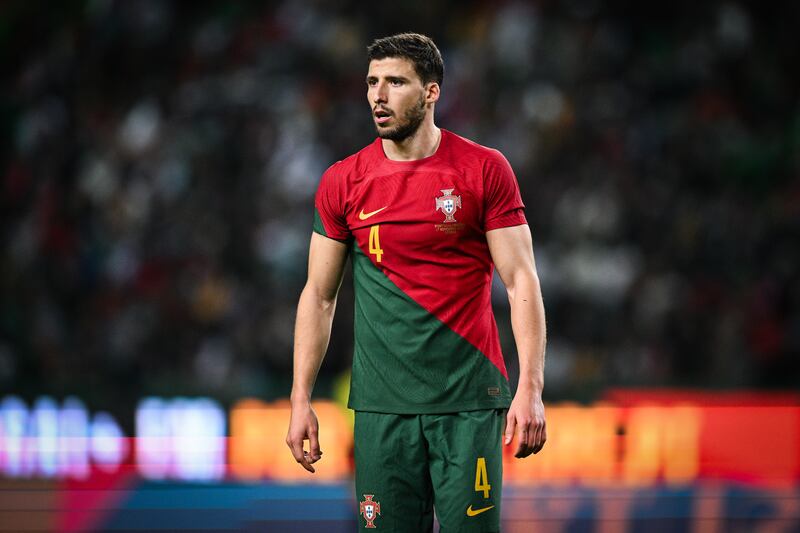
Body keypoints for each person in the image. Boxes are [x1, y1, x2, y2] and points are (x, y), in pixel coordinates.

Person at [286, 32, 547, 532]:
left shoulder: (484, 170)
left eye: (396, 82)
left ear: (431, 93)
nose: (378, 96)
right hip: (382, 410)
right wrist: (301, 399)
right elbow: (318, 296)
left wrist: (530, 388)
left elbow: (521, 282)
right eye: (372, 82)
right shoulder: (343, 181)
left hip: (468, 403)